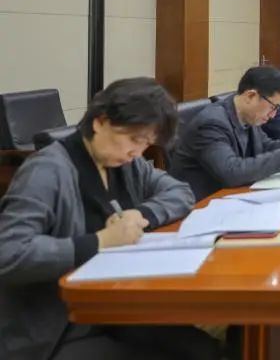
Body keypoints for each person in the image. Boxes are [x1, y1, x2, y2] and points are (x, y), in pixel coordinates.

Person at [0, 78, 222, 360]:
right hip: (59, 326)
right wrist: (100, 241)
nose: (137, 153)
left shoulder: (125, 163)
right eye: (134, 140)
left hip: (114, 304)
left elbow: (180, 192)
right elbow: (10, 253)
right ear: (100, 122)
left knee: (205, 349)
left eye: (146, 144)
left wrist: (142, 214)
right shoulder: (46, 172)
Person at [169, 66, 280, 200]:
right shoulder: (212, 123)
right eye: (273, 107)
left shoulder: (248, 115)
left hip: (233, 196)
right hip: (201, 205)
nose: (273, 115)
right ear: (251, 96)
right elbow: (231, 172)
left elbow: (265, 145)